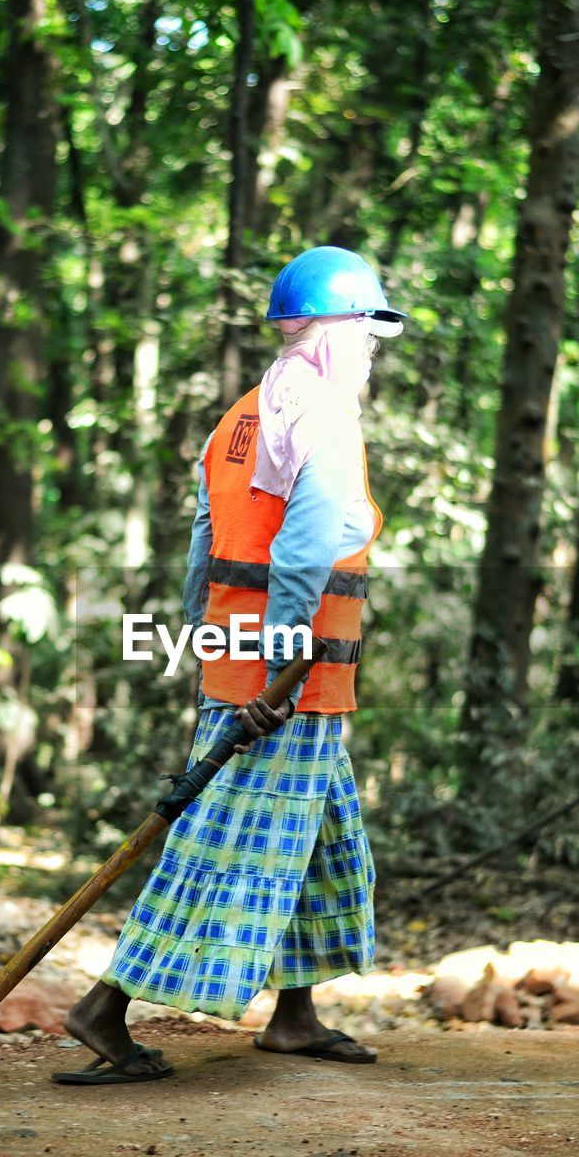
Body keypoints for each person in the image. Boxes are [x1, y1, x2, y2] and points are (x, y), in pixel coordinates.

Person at [53, 246, 406, 1084]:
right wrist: (274, 657)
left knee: (326, 844)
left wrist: (211, 641)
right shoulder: (322, 414)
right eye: (364, 334)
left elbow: (203, 544)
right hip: (287, 680)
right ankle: (103, 1009)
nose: (371, 352)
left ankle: (295, 1017)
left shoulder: (244, 414)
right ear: (327, 333)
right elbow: (310, 543)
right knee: (222, 847)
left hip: (253, 669)